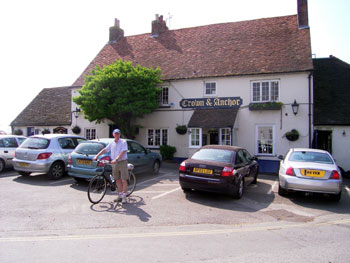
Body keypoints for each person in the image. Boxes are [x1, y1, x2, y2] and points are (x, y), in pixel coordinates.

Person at [93, 129, 129, 203]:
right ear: (113, 135)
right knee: (117, 180)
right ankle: (120, 195)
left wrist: (116, 159)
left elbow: (123, 152)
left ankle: (124, 196)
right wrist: (97, 156)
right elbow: (105, 150)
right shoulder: (112, 143)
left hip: (122, 162)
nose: (117, 135)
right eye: (115, 134)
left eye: (118, 134)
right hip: (114, 163)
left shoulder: (123, 142)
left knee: (124, 180)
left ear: (120, 134)